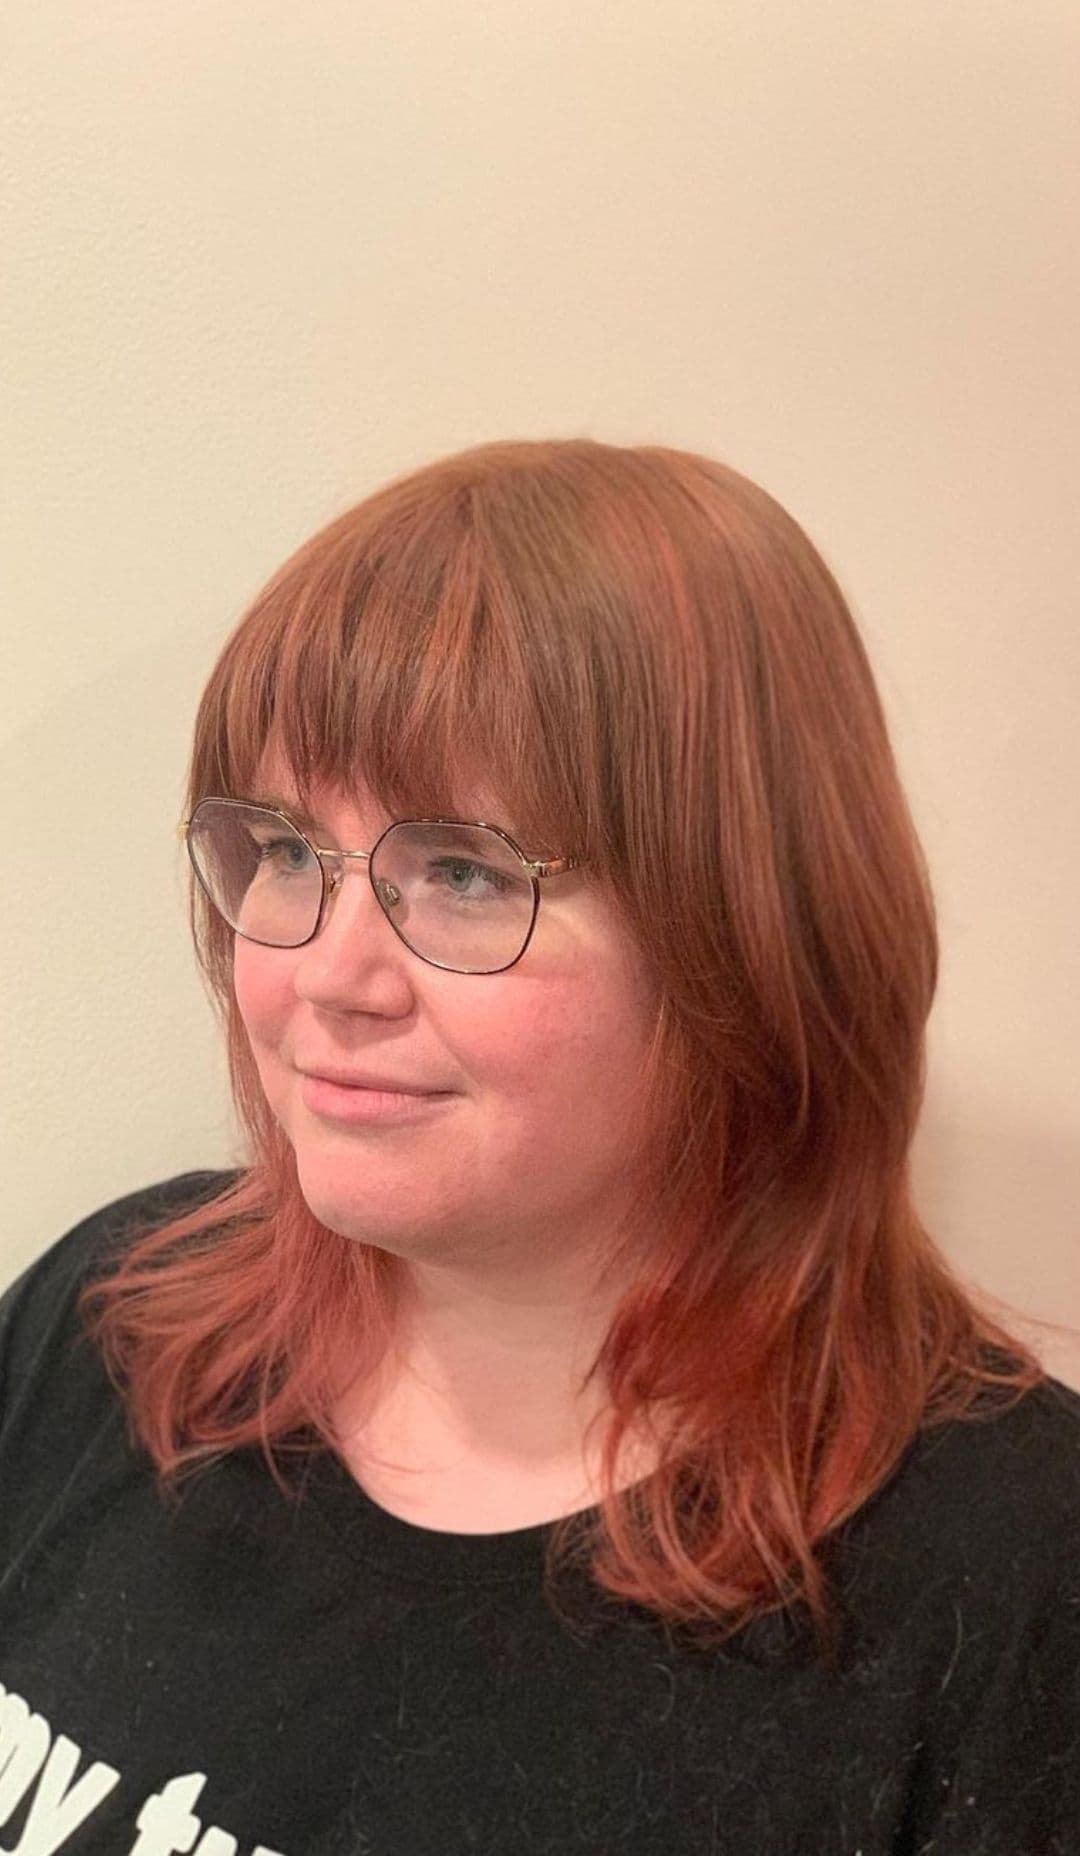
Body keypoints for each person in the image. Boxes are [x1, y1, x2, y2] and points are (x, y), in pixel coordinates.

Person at [1, 438, 1077, 1856]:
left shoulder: (1014, 1594)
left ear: (751, 938)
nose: (328, 976)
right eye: (285, 851)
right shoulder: (115, 1317)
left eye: (462, 873)